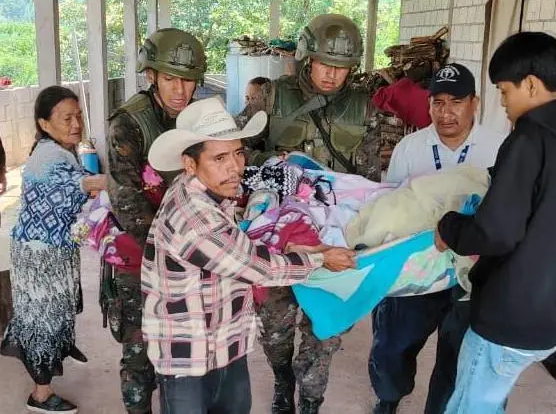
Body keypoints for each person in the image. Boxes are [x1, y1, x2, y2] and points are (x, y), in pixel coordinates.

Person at [141, 97, 356, 414]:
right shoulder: (194, 217)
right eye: (219, 158)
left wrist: (296, 247)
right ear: (190, 164)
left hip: (224, 344)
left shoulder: (205, 192)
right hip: (187, 357)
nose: (235, 167)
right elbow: (257, 267)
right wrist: (321, 259)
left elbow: (239, 248)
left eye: (238, 153)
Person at [435, 32, 556, 413]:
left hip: (509, 315)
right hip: (553, 313)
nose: (503, 102)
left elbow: (495, 231)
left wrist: (449, 227)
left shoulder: (529, 139)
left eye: (504, 90)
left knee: (469, 405)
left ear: (530, 84)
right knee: (491, 398)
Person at [241, 14, 373, 414]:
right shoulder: (272, 97)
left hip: (334, 236)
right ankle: (283, 383)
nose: (332, 75)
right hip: (281, 237)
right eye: (324, 64)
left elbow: (370, 176)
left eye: (342, 67)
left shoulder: (364, 107)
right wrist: (277, 163)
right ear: (306, 58)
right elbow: (237, 152)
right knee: (276, 329)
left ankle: (311, 402)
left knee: (324, 330)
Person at [368, 63, 505, 414]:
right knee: (393, 344)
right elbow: (390, 208)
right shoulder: (410, 148)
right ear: (428, 105)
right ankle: (389, 398)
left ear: (475, 102)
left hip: (470, 272)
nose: (446, 113)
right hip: (416, 266)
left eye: (456, 102)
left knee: (457, 352)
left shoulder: (499, 149)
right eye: (438, 102)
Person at [105, 27, 206, 414]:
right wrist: (170, 247)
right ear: (151, 76)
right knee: (140, 352)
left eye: (188, 79)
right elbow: (125, 199)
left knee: (185, 351)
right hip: (144, 255)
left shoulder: (199, 118)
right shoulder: (128, 123)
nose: (180, 90)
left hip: (191, 253)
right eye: (170, 79)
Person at [0, 86, 107, 413]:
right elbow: (82, 186)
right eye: (66, 118)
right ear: (44, 123)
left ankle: (51, 365)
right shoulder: (50, 156)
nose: (76, 124)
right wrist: (125, 180)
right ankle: (40, 395)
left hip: (46, 252)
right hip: (40, 257)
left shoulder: (57, 149)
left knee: (49, 316)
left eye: (78, 117)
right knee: (42, 322)